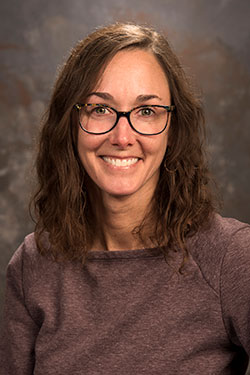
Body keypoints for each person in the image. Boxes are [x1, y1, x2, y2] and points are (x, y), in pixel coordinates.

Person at [0, 22, 250, 375]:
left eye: (146, 112)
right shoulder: (32, 266)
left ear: (173, 128)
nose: (122, 136)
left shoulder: (231, 258)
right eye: (100, 109)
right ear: (70, 123)